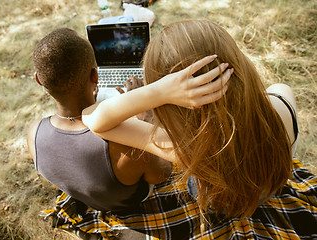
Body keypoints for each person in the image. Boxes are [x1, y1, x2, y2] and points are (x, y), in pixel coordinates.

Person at [82, 19, 317, 238]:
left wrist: (157, 92)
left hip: (215, 201)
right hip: (268, 189)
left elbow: (93, 118)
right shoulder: (283, 105)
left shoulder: (182, 148)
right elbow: (265, 98)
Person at [27, 28, 174, 213]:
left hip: (92, 200)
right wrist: (147, 118)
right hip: (133, 202)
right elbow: (163, 173)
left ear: (39, 80)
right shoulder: (127, 145)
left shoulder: (34, 135)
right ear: (95, 76)